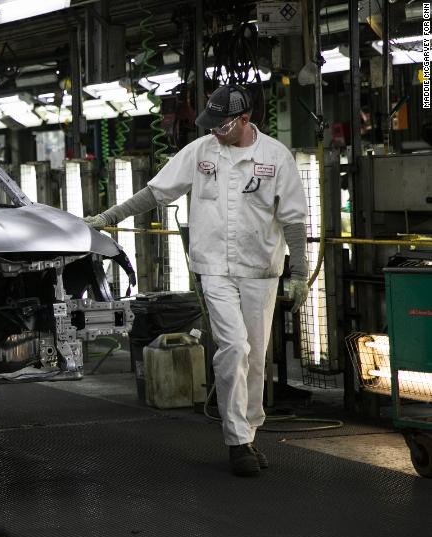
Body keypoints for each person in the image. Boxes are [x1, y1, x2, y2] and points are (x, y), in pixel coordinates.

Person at [84, 85, 308, 477]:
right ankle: (237, 441)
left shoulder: (275, 156)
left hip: (261, 270)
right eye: (211, 125)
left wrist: (301, 273)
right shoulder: (202, 151)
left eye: (222, 126)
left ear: (243, 120)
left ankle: (250, 431)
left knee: (256, 357)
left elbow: (292, 218)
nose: (215, 133)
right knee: (234, 347)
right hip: (214, 267)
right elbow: (156, 191)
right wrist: (107, 218)